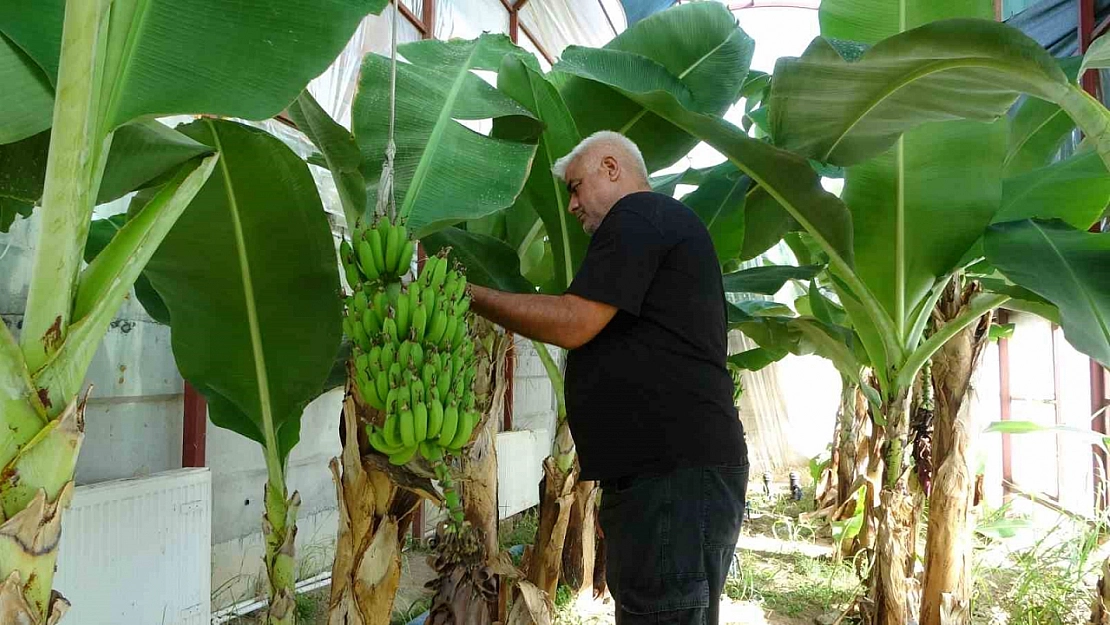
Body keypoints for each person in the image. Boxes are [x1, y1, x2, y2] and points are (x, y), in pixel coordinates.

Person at [468, 130, 748, 624]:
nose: (572, 205)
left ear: (612, 167)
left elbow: (574, 322)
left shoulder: (639, 215)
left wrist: (470, 294)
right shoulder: (656, 225)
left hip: (673, 479)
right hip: (665, 479)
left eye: (576, 187)